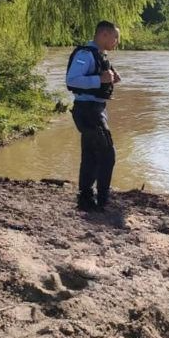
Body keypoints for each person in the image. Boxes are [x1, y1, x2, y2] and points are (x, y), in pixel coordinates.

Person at [65, 21, 122, 212]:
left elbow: (101, 77)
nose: (117, 41)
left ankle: (86, 198)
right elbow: (72, 79)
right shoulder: (85, 54)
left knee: (91, 154)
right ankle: (102, 199)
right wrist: (100, 79)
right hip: (88, 110)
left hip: (95, 109)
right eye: (115, 37)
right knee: (107, 154)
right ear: (104, 35)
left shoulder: (100, 55)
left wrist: (112, 77)